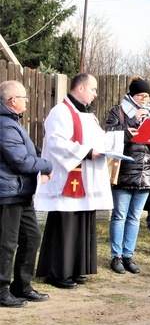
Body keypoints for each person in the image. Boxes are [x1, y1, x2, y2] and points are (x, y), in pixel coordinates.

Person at [35, 73, 114, 289]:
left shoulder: (87, 114)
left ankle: (77, 268)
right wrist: (87, 152)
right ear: (80, 88)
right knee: (65, 225)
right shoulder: (60, 111)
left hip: (85, 179)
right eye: (93, 89)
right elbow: (56, 142)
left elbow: (99, 138)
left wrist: (120, 139)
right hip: (67, 178)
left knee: (82, 222)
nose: (95, 94)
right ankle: (57, 272)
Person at [0, 81, 53, 306]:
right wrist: (46, 165)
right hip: (8, 193)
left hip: (21, 192)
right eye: (24, 97)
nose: (26, 101)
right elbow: (19, 160)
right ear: (13, 100)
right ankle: (1, 290)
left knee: (32, 237)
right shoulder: (4, 124)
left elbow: (26, 153)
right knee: (6, 243)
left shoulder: (12, 122)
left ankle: (22, 285)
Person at [105, 77, 150, 274]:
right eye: (140, 95)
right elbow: (108, 135)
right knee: (120, 215)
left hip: (146, 171)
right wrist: (131, 125)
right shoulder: (118, 111)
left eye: (147, 96)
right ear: (131, 95)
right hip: (125, 169)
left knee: (135, 216)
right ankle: (116, 256)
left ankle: (129, 255)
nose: (144, 99)